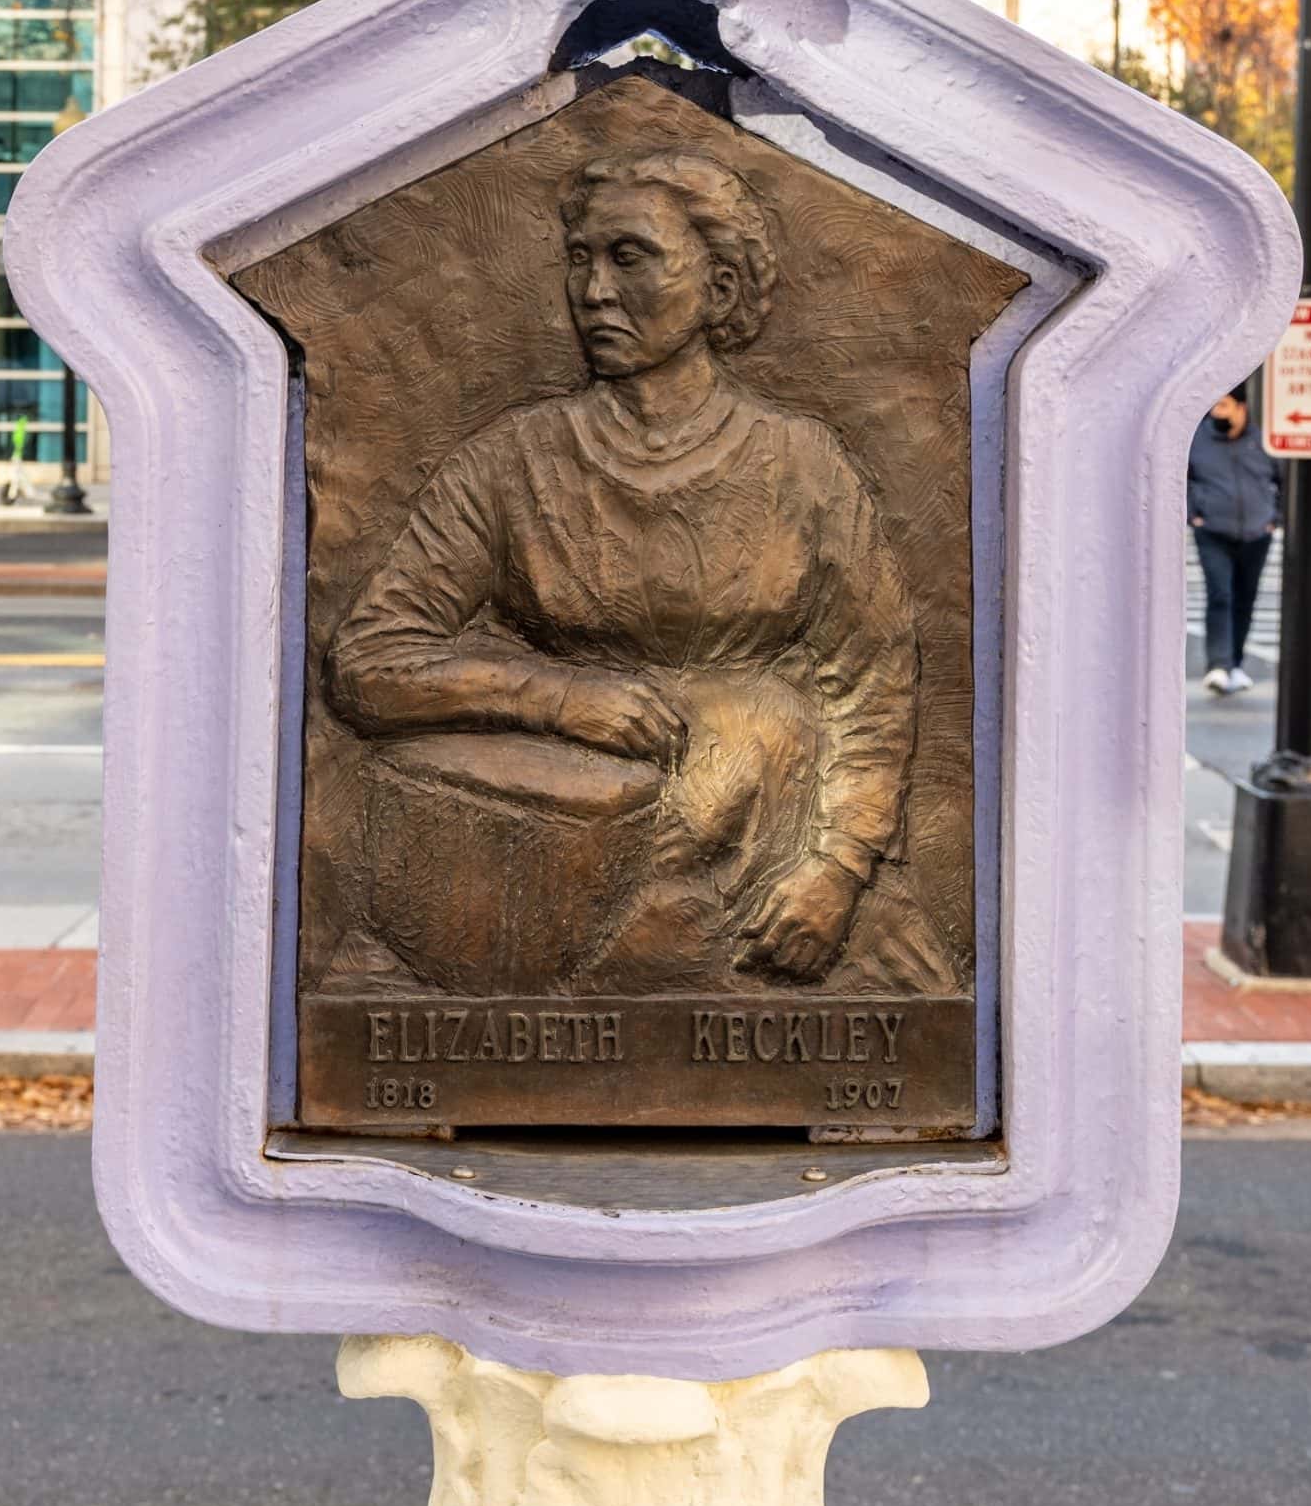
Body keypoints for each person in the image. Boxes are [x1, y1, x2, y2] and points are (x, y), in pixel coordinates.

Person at [325, 143, 954, 992]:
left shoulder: (801, 467)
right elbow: (369, 661)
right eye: (579, 260)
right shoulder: (511, 461)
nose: (593, 292)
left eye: (632, 257)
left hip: (766, 858)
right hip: (542, 865)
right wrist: (556, 699)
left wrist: (835, 870)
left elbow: (873, 685)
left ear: (719, 288)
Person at [1187, 387, 1281, 696]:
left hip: (1256, 534)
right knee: (1220, 595)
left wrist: (1274, 519)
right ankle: (1219, 664)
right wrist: (1193, 514)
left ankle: (1235, 662)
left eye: (1224, 405)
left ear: (1241, 408)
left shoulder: (1261, 442)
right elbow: (1182, 479)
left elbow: (1282, 480)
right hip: (1213, 531)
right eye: (1214, 405)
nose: (1218, 412)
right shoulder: (1198, 440)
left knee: (1245, 598)